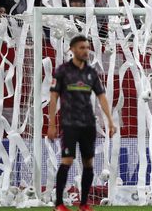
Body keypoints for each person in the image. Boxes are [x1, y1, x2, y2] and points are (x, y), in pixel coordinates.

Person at [48, 36, 116, 211]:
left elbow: (101, 97)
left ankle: (84, 203)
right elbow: (53, 97)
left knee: (88, 163)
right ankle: (59, 204)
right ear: (72, 49)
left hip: (88, 125)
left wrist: (110, 120)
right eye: (81, 47)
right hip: (69, 124)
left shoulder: (91, 73)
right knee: (67, 161)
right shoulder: (62, 71)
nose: (85, 50)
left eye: (87, 47)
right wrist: (52, 124)